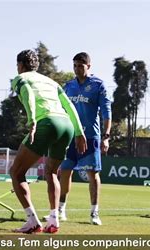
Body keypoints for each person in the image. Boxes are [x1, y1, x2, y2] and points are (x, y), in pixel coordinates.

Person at [9, 49, 87, 234]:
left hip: (46, 123)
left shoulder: (20, 78)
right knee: (51, 172)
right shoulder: (51, 82)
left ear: (20, 65)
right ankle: (54, 220)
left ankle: (32, 221)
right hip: (66, 124)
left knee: (16, 172)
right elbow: (68, 104)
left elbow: (27, 91)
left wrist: (32, 119)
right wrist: (79, 131)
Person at [50, 52, 112, 225]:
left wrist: (106, 137)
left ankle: (94, 213)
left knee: (92, 174)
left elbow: (107, 112)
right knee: (65, 172)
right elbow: (60, 109)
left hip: (91, 136)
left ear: (89, 66)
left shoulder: (98, 85)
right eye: (75, 65)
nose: (77, 68)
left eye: (81, 65)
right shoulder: (68, 86)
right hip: (70, 136)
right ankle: (60, 210)